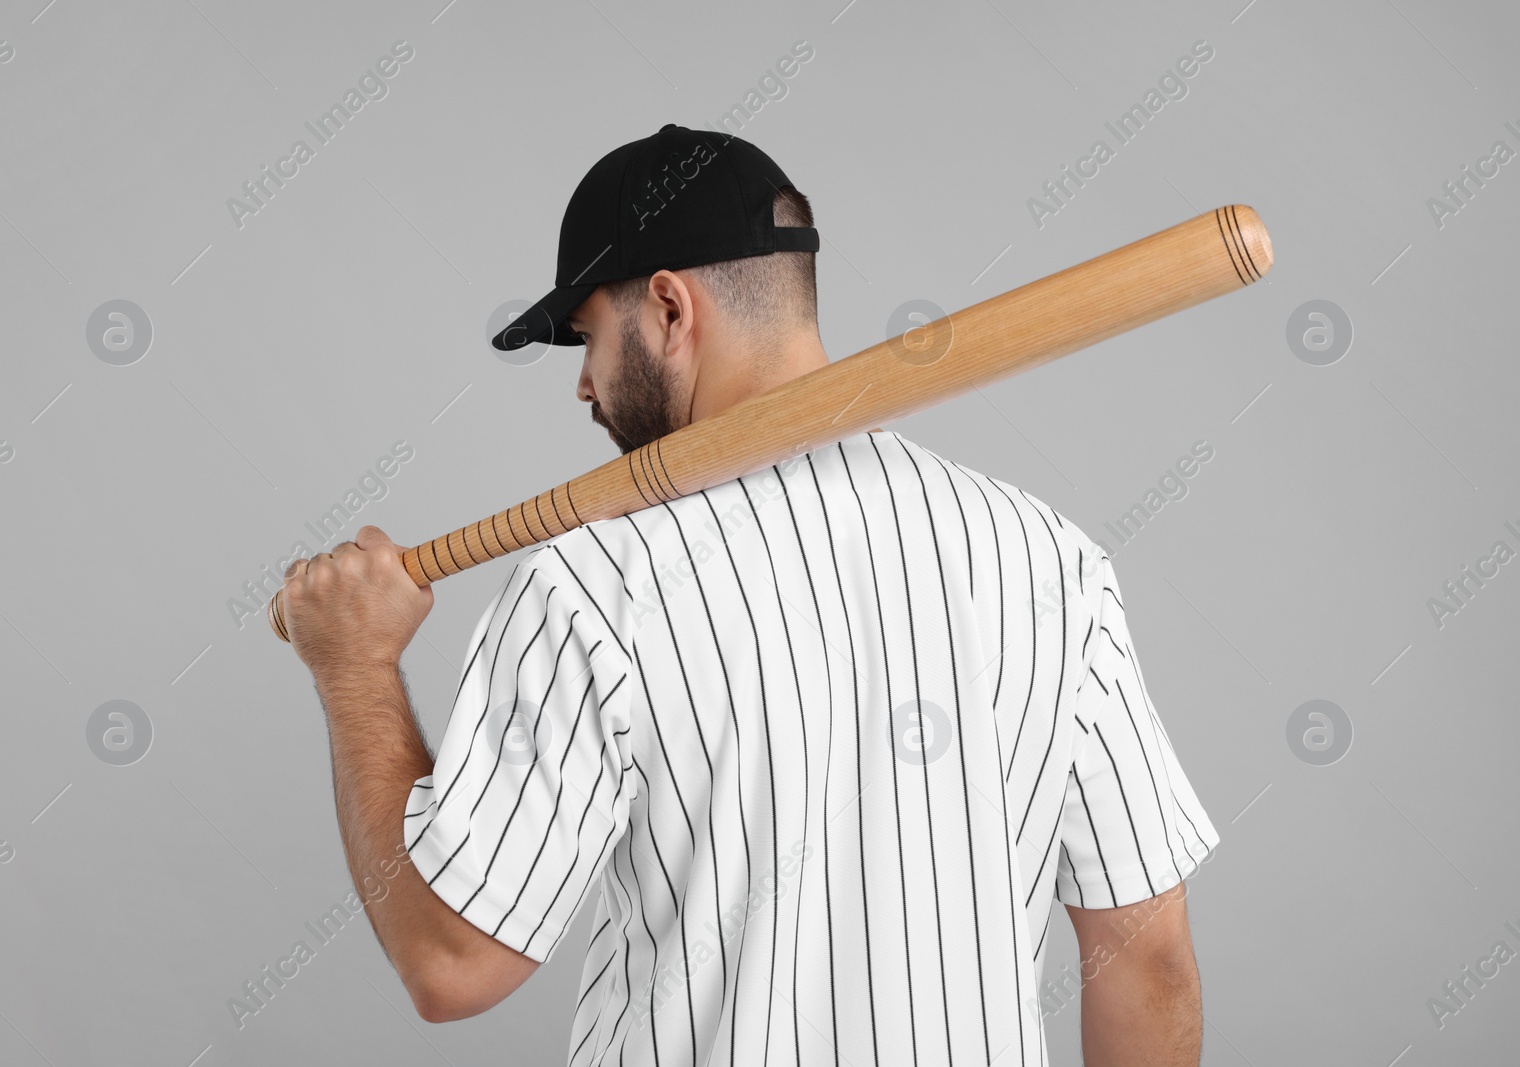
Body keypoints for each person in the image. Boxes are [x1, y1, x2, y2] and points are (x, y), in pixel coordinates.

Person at [279, 123, 1220, 1066]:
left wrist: (354, 663)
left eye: (590, 338)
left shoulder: (595, 586)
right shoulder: (1051, 562)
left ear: (669, 310)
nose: (582, 385)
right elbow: (1151, 966)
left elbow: (451, 963)